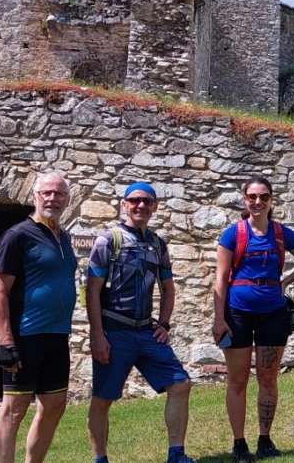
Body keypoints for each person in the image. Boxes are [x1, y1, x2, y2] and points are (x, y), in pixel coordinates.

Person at [85, 182, 195, 463]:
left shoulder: (158, 244)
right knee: (103, 399)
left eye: (147, 201)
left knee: (180, 383)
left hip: (147, 331)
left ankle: (176, 455)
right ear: (124, 204)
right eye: (135, 200)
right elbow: (92, 291)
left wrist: (165, 324)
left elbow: (168, 288)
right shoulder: (108, 240)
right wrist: (97, 335)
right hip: (114, 331)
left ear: (155, 206)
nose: (141, 206)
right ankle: (100, 460)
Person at [213, 176, 294, 462]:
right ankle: (239, 443)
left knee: (268, 378)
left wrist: (283, 282)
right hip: (237, 314)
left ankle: (265, 440)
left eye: (264, 197)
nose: (258, 202)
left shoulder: (281, 234)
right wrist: (219, 319)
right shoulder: (233, 234)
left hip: (273, 314)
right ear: (245, 199)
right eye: (252, 197)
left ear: (272, 200)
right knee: (238, 380)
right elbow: (220, 279)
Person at [0, 171, 78, 463]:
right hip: (25, 336)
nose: (53, 198)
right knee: (14, 410)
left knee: (54, 406)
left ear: (67, 199)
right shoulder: (17, 235)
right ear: (35, 197)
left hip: (56, 336)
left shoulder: (63, 237)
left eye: (59, 193)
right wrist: (5, 342)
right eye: (47, 193)